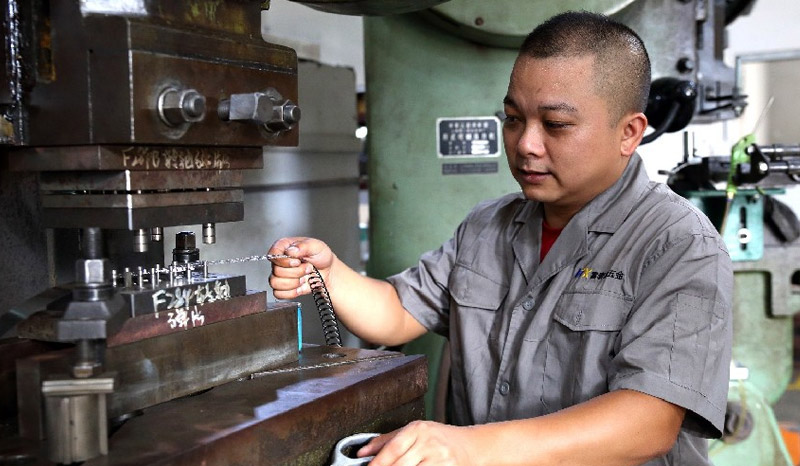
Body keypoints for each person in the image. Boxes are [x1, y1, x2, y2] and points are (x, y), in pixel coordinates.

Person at [269, 11, 732, 466]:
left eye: (555, 124)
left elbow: (648, 421)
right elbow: (398, 312)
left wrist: (470, 447)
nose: (526, 143)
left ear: (629, 133)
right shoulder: (488, 225)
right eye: (513, 118)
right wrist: (329, 274)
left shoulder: (678, 244)